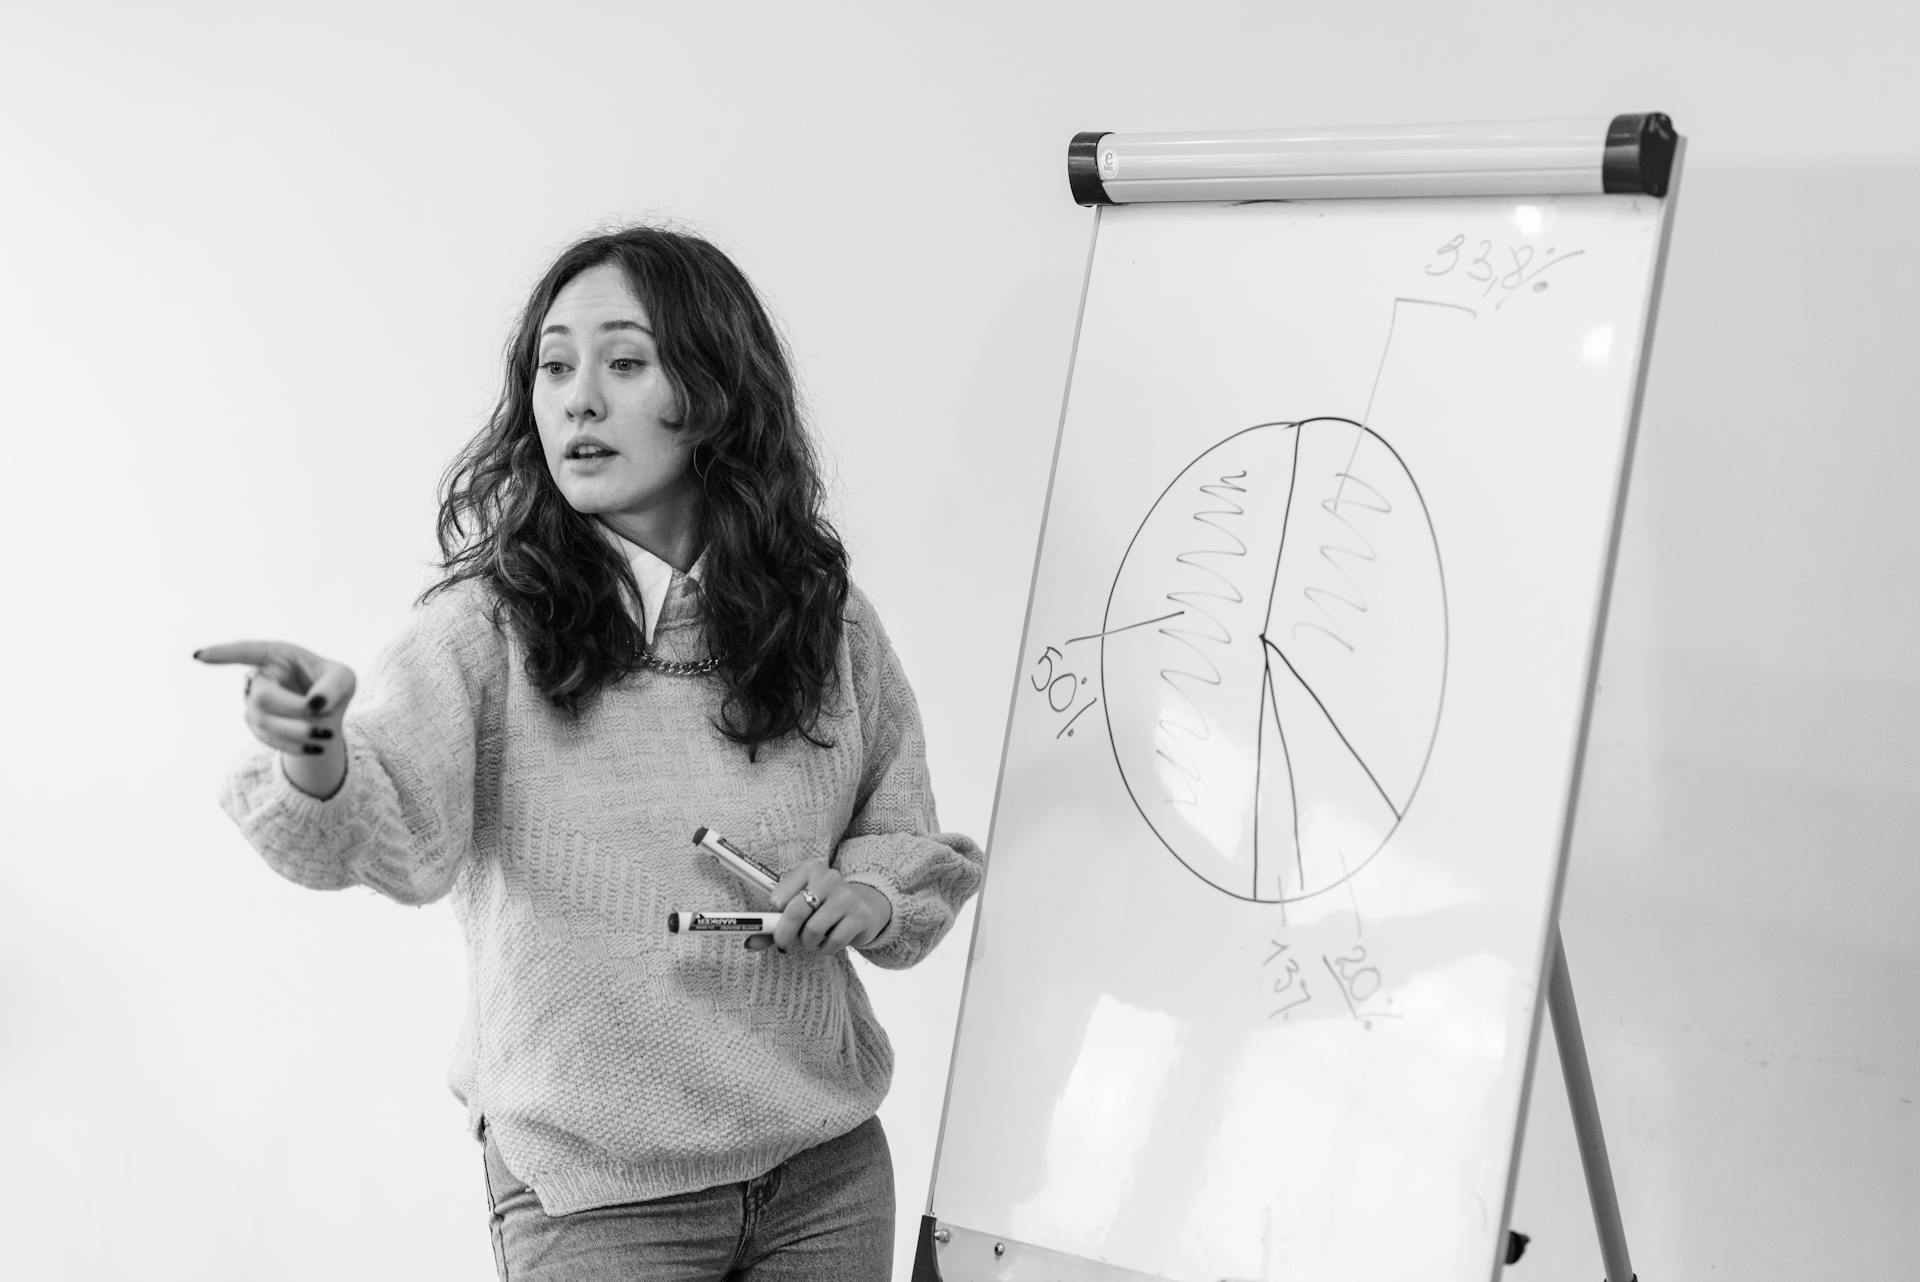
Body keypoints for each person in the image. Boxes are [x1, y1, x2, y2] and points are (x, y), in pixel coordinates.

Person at [196, 224, 984, 1281]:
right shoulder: (484, 630)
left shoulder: (826, 622)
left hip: (825, 1177)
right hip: (597, 1199)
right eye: (555, 366)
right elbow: (390, 834)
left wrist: (868, 898)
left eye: (623, 361)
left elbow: (900, 834)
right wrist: (317, 751)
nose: (576, 398)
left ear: (711, 393)